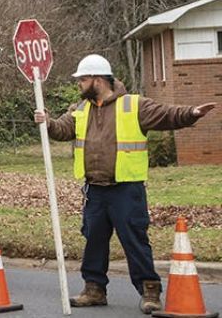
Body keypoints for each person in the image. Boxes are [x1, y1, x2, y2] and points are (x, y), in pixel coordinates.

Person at [34, 54, 216, 314]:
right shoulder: (81, 108)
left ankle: (149, 291)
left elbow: (166, 114)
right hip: (94, 190)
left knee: (134, 240)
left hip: (126, 190)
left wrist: (191, 113)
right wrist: (47, 123)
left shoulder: (133, 105)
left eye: (83, 79)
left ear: (98, 80)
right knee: (93, 240)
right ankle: (94, 289)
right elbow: (63, 129)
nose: (79, 84)